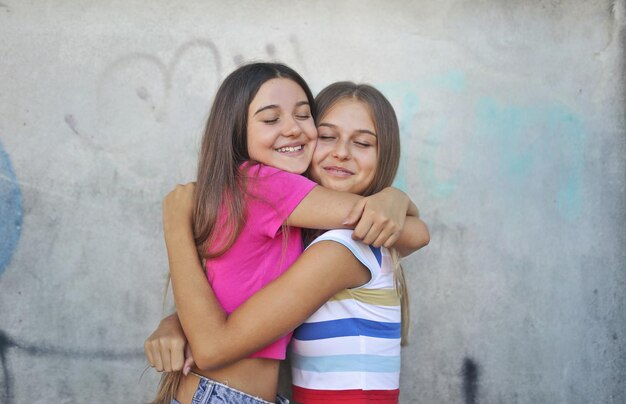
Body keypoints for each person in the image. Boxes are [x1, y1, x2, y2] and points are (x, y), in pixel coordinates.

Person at [145, 79, 430, 403]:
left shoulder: (347, 247)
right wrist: (178, 323)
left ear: (385, 154)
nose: (341, 151)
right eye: (327, 136)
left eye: (363, 143)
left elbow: (418, 235)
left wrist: (395, 198)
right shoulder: (309, 238)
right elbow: (238, 296)